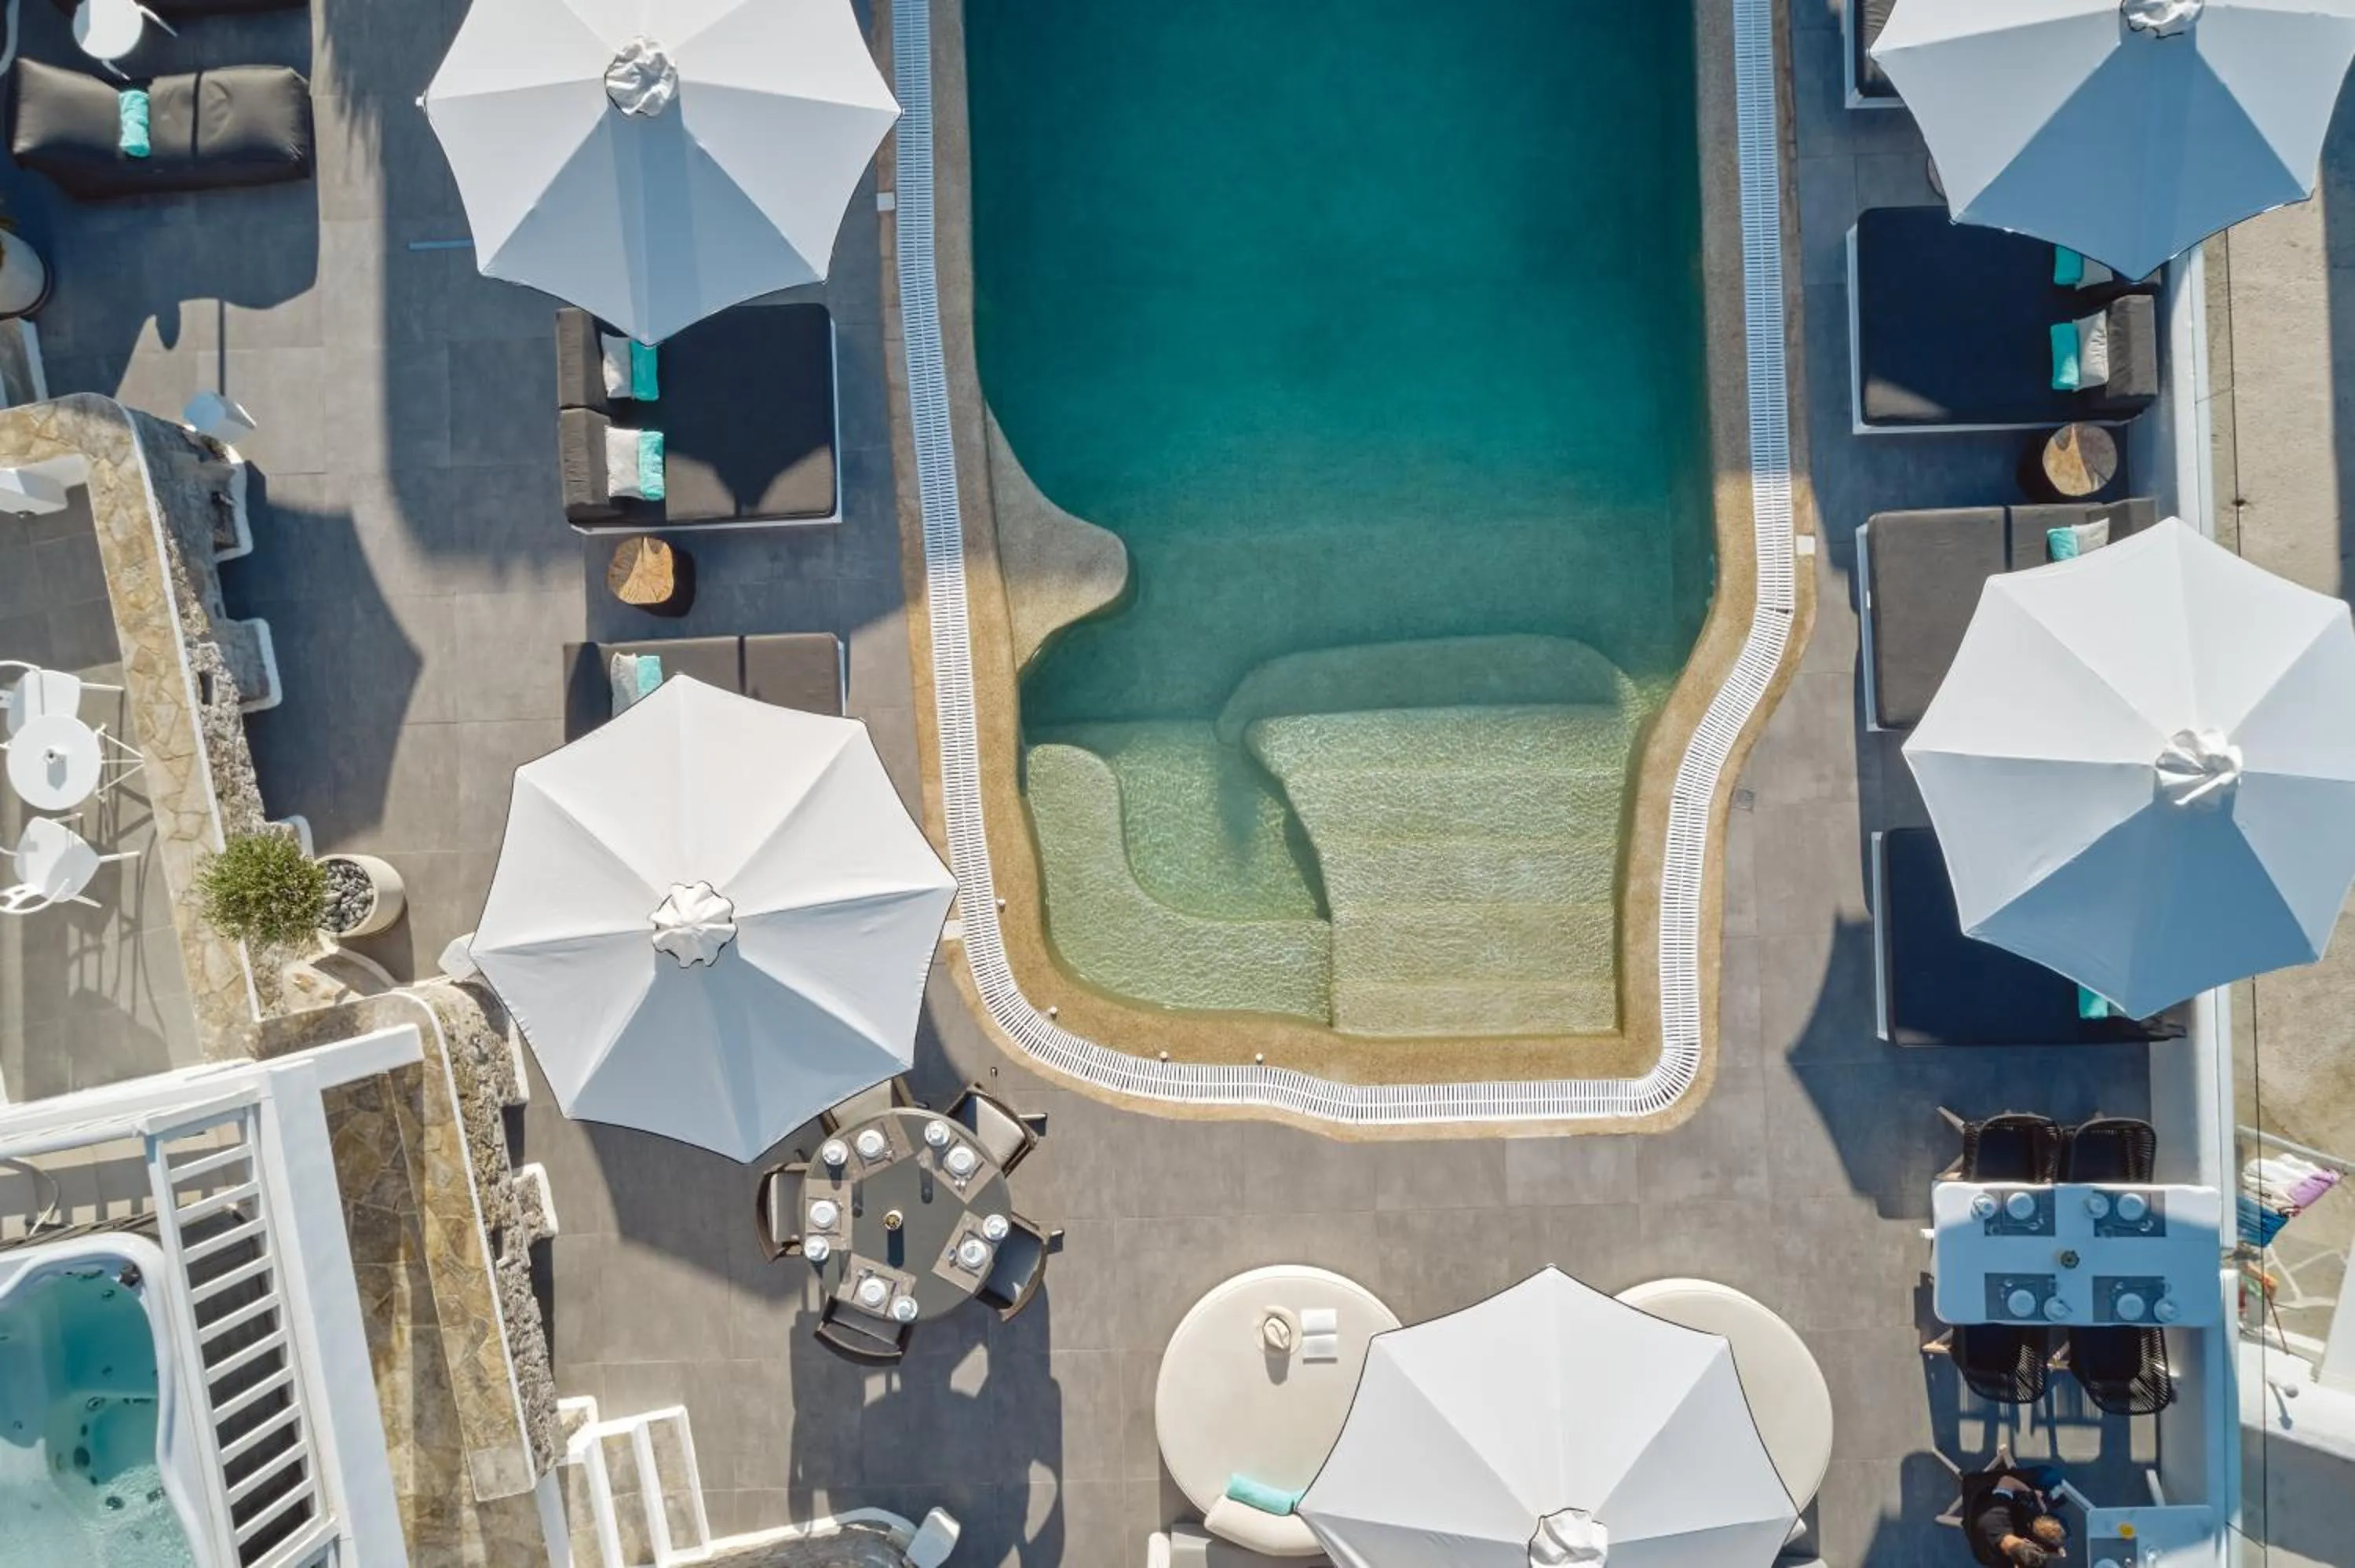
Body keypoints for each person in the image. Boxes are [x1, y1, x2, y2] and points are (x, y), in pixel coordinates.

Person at [1967, 1464, 2070, 1567]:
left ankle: (2048, 1500)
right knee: (2063, 1529)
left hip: (1984, 1492)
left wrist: (2032, 1494)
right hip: (2019, 1513)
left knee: (2050, 1475)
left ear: (2027, 1540)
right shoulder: (2002, 1558)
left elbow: (2007, 1481)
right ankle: (2049, 1501)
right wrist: (2055, 1549)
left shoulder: (1994, 1519)